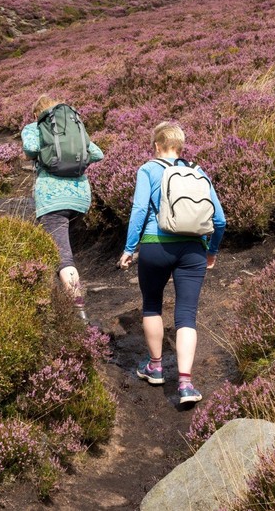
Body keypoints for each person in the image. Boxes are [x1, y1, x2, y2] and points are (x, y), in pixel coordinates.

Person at [118, 121, 226, 405]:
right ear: (180, 147)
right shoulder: (197, 173)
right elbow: (220, 219)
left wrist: (130, 248)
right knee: (187, 315)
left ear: (157, 145)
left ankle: (154, 367)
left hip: (155, 246)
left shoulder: (148, 169)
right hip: (193, 250)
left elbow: (140, 209)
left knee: (152, 304)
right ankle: (186, 384)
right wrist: (211, 251)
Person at [22, 96, 104, 321]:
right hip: (80, 197)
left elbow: (29, 148)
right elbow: (98, 153)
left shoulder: (34, 126)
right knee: (62, 252)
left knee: (64, 259)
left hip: (52, 199)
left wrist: (42, 151)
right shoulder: (73, 126)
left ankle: (81, 317)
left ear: (36, 113)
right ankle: (65, 300)